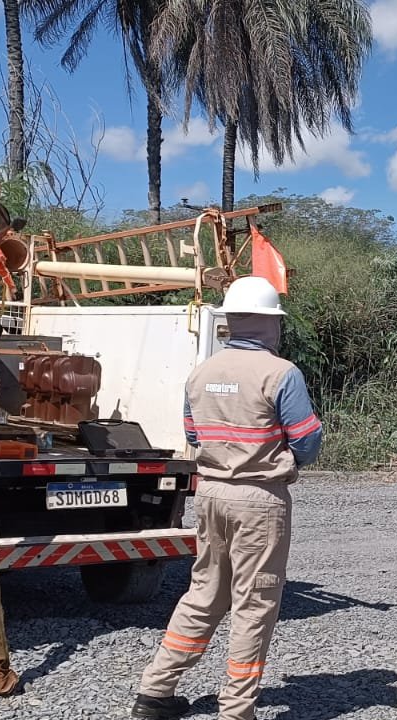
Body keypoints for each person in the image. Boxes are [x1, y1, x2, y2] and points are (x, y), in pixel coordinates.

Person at [132, 276, 323, 720]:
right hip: (259, 497)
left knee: (205, 592)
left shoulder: (202, 373)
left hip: (211, 492)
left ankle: (155, 692)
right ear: (269, 324)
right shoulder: (281, 373)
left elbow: (193, 434)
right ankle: (237, 709)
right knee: (255, 603)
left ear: (233, 321)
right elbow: (307, 441)